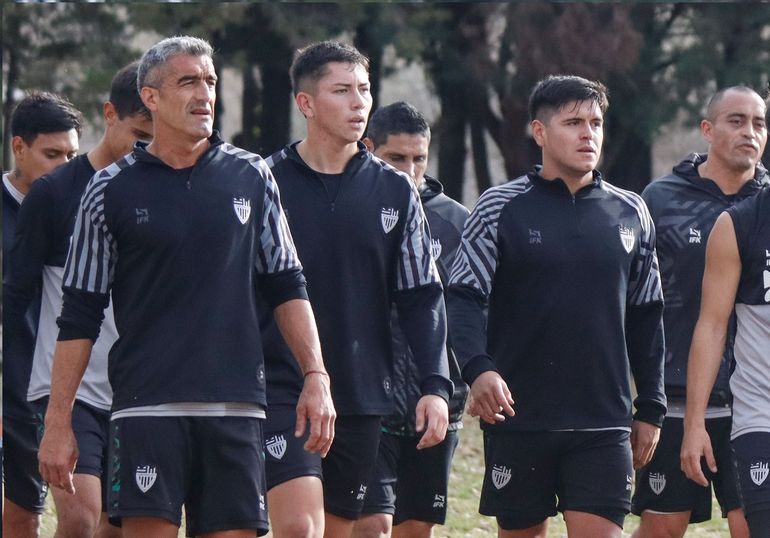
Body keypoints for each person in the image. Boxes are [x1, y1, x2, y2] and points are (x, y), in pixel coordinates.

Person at [36, 35, 334, 538]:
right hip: (147, 408)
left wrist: (316, 374)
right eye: (188, 81)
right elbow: (79, 314)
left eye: (211, 81)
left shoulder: (252, 175)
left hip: (237, 406)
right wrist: (57, 421)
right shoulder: (108, 190)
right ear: (150, 97)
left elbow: (287, 283)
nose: (205, 94)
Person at [446, 75, 666, 538]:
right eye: (573, 122)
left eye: (596, 123)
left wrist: (651, 408)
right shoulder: (498, 208)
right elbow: (462, 297)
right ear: (540, 133)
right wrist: (478, 369)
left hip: (604, 423)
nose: (589, 134)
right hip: (520, 419)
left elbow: (647, 315)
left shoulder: (631, 212)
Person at [263, 41, 452, 538]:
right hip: (279, 387)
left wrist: (435, 385)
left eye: (364, 90)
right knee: (298, 529)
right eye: (342, 90)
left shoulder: (395, 190)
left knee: (336, 530)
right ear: (306, 104)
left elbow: (421, 296)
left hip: (364, 394)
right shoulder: (264, 181)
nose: (359, 103)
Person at [4, 61, 155, 538]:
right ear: (111, 116)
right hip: (65, 388)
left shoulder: (165, 187)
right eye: (139, 133)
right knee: (79, 517)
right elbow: (15, 299)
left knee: (118, 525)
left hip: (140, 387)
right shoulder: (54, 194)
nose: (148, 147)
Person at [632, 86, 768, 538]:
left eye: (759, 123)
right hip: (675, 393)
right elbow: (634, 296)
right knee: (663, 527)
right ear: (707, 129)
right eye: (736, 120)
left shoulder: (765, 208)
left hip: (752, 398)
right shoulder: (661, 199)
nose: (749, 132)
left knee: (750, 524)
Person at [353, 101, 469, 538]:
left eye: (418, 158)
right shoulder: (352, 209)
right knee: (371, 526)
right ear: (368, 148)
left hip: (436, 400)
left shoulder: (456, 222)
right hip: (369, 400)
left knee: (415, 527)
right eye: (396, 158)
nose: (410, 170)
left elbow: (465, 309)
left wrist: (460, 380)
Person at [681, 94, 770, 537]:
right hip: (761, 418)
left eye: (759, 122)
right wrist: (694, 423)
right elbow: (711, 326)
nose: (752, 131)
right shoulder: (739, 224)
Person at [3, 91, 82, 538]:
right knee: (20, 515)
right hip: (10, 381)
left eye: (72, 154)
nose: (64, 166)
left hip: (60, 384)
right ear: (19, 147)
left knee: (80, 515)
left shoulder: (82, 212)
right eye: (52, 154)